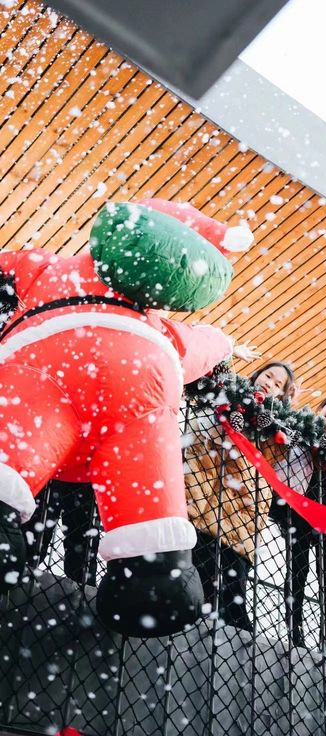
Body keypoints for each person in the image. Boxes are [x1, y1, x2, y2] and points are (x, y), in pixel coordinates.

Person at [0, 198, 254, 637]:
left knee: (19, 435)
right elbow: (197, 345)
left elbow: (11, 266)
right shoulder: (160, 326)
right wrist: (222, 342)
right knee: (145, 462)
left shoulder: (49, 269)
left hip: (42, 368)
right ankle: (156, 574)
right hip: (140, 396)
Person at [184, 361, 298, 633]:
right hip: (206, 504)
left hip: (243, 512)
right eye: (268, 375)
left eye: (278, 384)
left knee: (232, 597)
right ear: (256, 375)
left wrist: (281, 416)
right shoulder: (225, 398)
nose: (270, 383)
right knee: (198, 580)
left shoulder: (273, 427)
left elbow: (281, 453)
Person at [276, 395, 326, 655]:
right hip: (300, 507)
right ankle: (294, 628)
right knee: (299, 568)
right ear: (320, 409)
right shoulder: (302, 430)